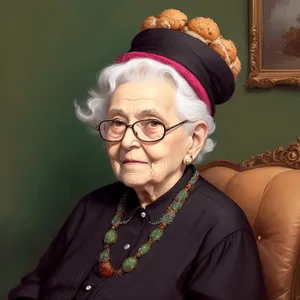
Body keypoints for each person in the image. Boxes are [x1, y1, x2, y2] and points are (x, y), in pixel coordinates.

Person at [9, 8, 266, 300]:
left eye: (152, 124)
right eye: (118, 122)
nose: (128, 141)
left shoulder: (222, 232)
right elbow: (37, 282)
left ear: (194, 139)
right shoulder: (91, 206)